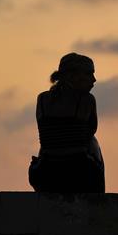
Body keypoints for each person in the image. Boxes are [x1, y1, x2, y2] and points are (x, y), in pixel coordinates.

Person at [29, 52, 105, 192]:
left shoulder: (42, 99)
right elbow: (90, 131)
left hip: (46, 171)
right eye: (89, 74)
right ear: (71, 76)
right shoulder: (87, 100)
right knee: (93, 142)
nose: (94, 79)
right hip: (79, 171)